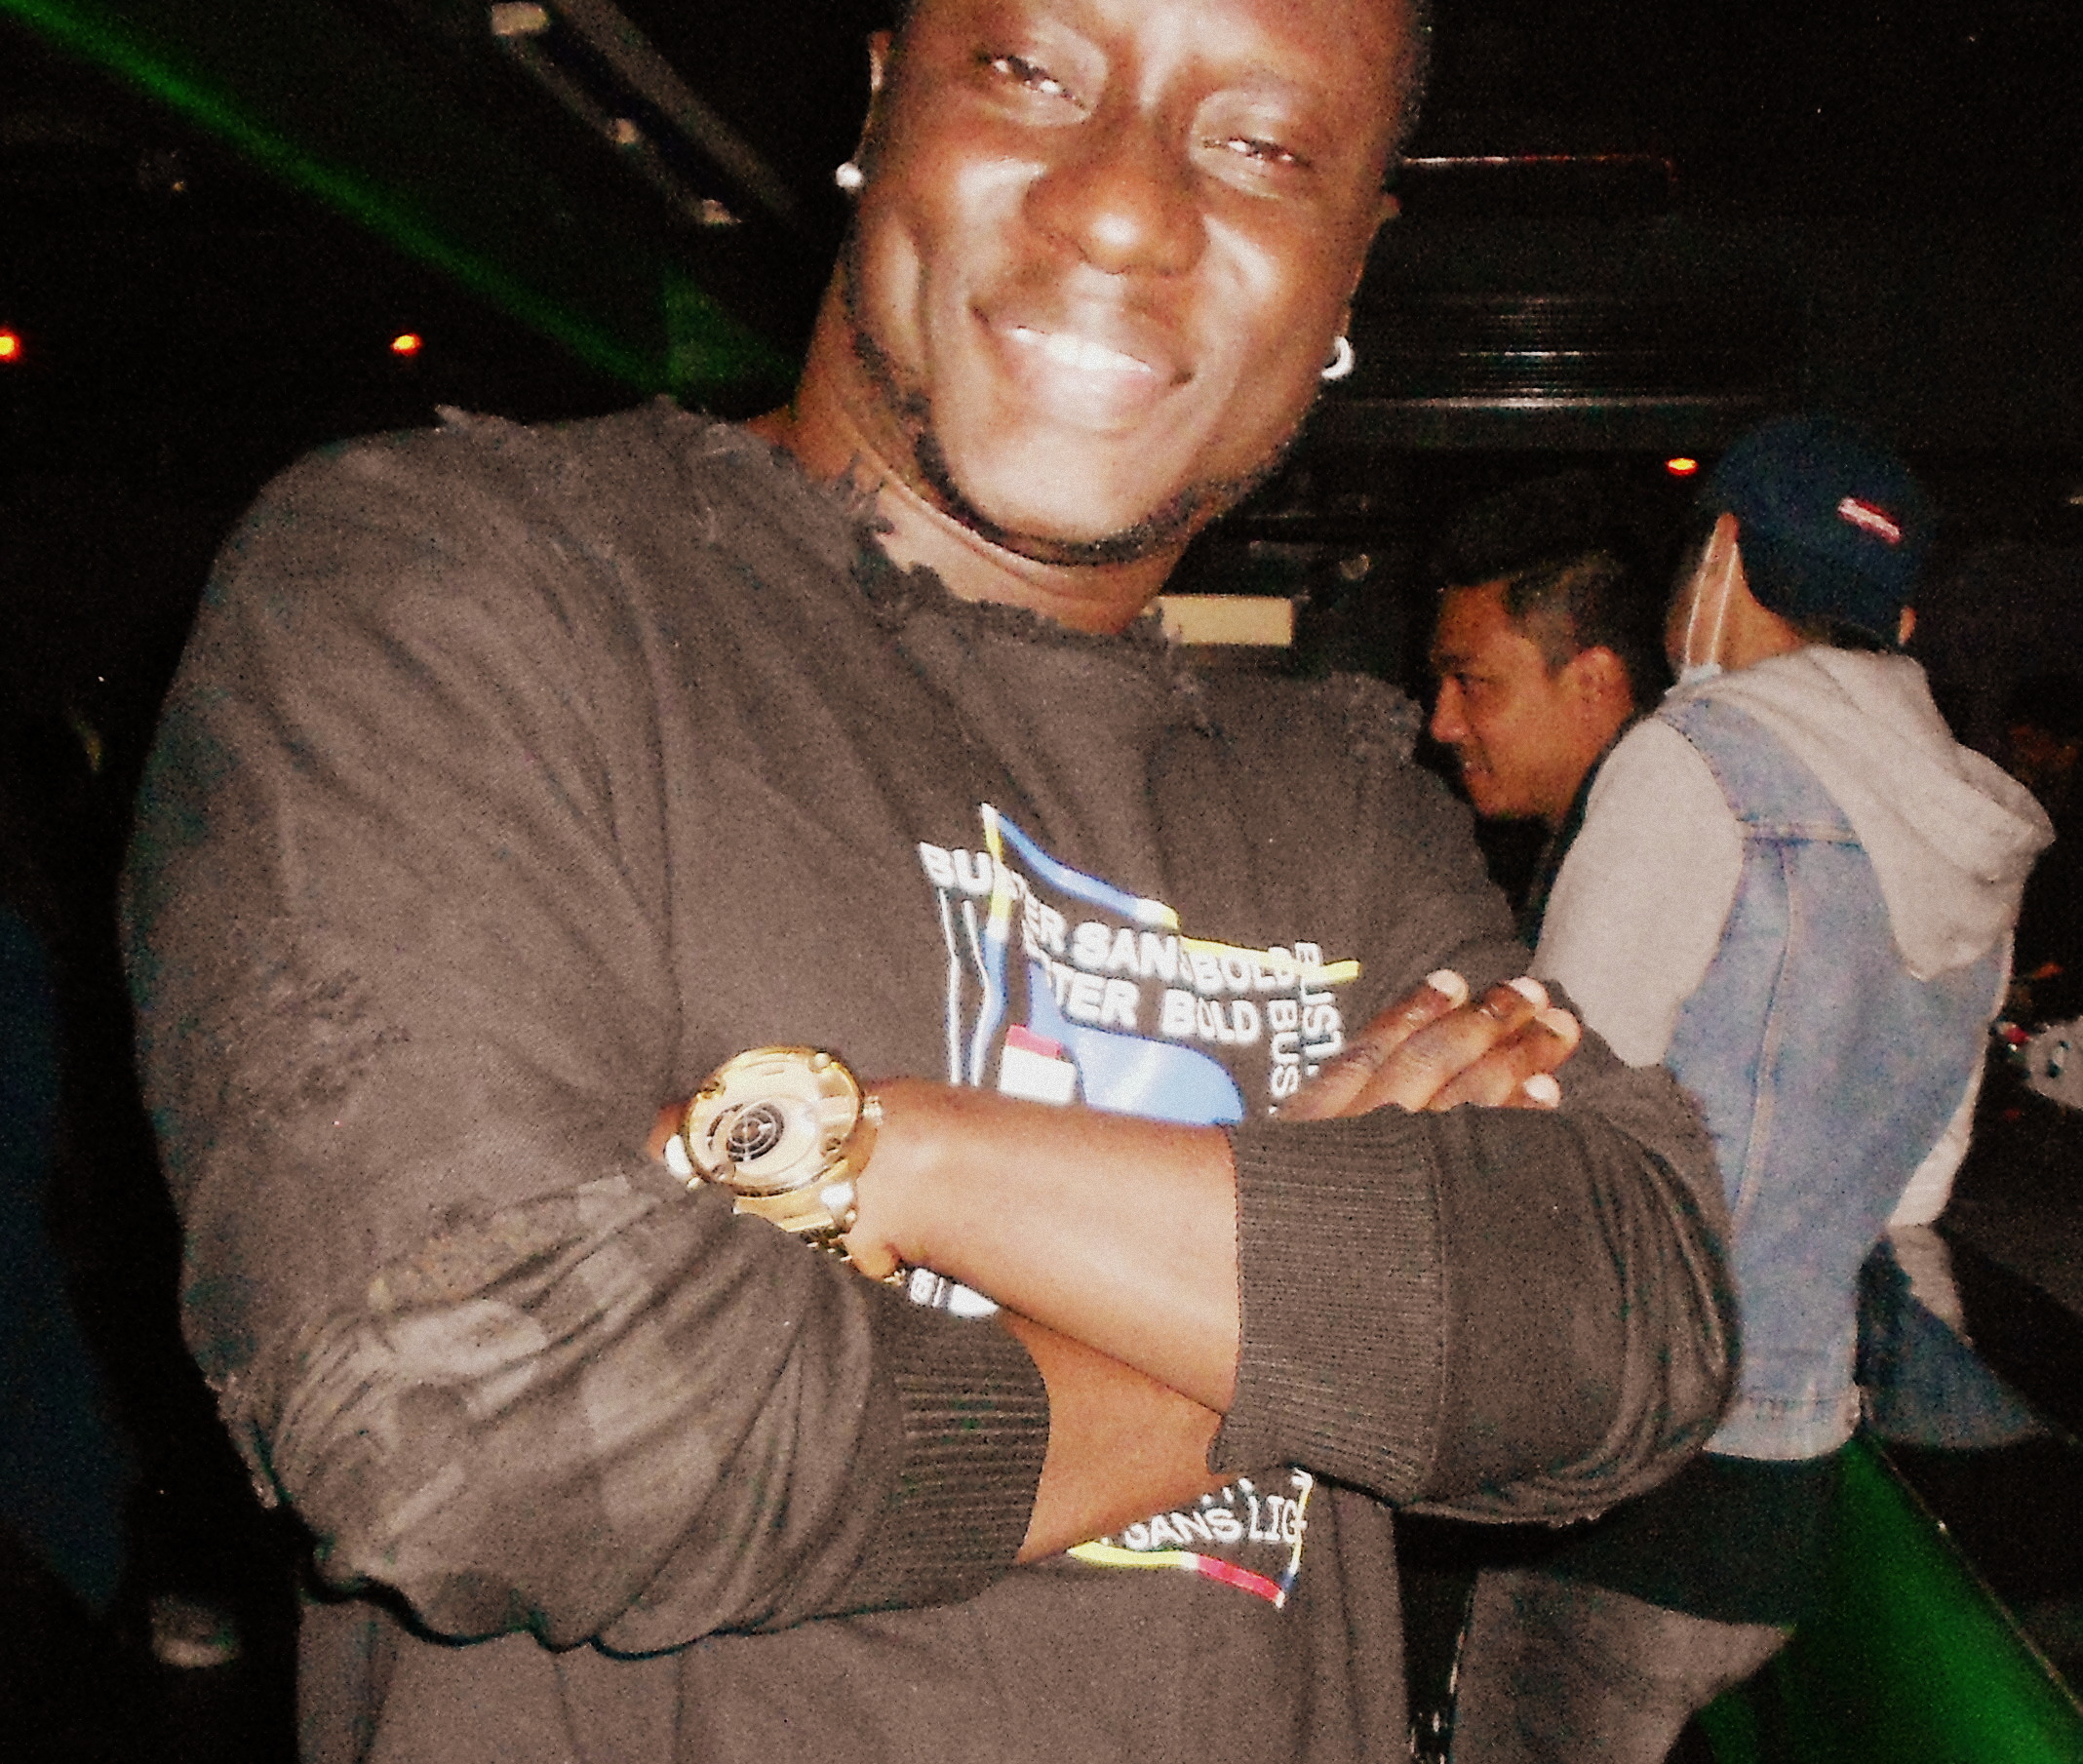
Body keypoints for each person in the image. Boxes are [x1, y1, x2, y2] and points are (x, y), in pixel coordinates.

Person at [123, 2, 1733, 1759]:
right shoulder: (453, 589)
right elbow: (476, 1422)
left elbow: (1624, 1321)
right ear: (882, 105)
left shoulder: (1345, 798)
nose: (1123, 208)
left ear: (1351, 260)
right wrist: (1302, 1354)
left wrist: (897, 1151)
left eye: (1264, 147)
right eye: (1032, 74)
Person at [1447, 416, 2054, 1764]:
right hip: (1788, 1492)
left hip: (1626, 1459)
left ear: (1720, 555)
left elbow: (1547, 1105)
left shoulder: (1696, 762)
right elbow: (1916, 1195)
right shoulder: (1974, 826)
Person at [1426, 477, 1670, 936]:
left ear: (1592, 684)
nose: (1443, 725)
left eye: (1473, 683)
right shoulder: (1588, 849)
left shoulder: (1656, 877)